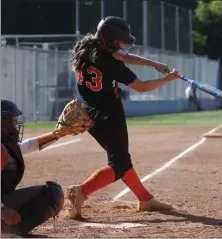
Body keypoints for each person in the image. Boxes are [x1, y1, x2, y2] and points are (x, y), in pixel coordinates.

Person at [66, 16, 181, 219]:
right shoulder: (109, 63)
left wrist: (153, 63)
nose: (124, 46)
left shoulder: (88, 46)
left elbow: (121, 56)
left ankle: (145, 199)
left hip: (87, 111)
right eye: (120, 42)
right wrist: (167, 79)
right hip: (109, 114)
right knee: (118, 165)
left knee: (121, 159)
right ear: (109, 41)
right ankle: (81, 192)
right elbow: (142, 87)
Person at [1, 99, 65, 237]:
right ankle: (7, 232)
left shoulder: (4, 145)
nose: (16, 124)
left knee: (53, 192)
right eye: (13, 120)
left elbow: (29, 145)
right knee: (52, 195)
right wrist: (2, 210)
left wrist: (59, 133)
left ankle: (6, 231)